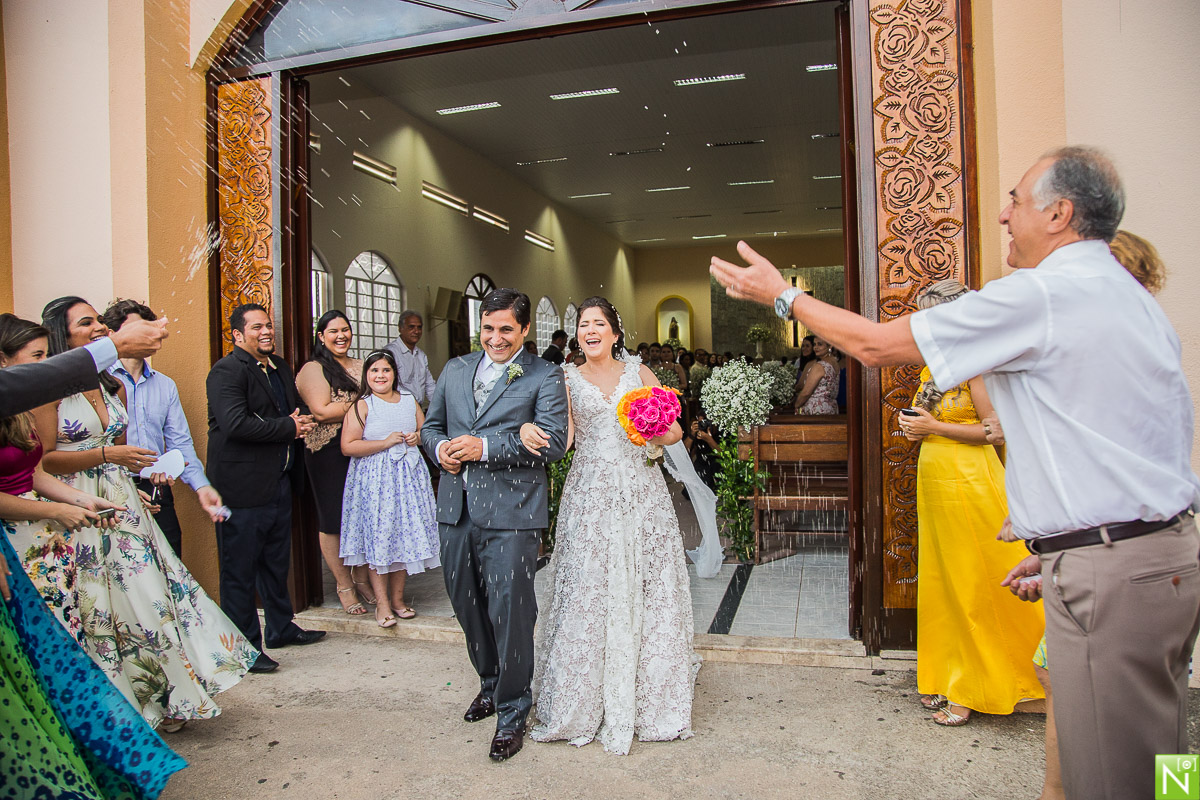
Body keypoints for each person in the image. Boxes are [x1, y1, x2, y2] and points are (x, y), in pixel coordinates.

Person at [711, 146, 1200, 800]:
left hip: (1114, 567)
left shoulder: (1048, 293)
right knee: (1164, 748)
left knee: (1110, 776)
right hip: (1150, 555)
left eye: (1017, 201)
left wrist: (784, 297)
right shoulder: (1127, 298)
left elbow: (876, 346)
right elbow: (1124, 439)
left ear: (1060, 213)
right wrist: (1063, 542)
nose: (1002, 215)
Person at [34, 296, 258, 732]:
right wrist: (109, 453)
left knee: (153, 598)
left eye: (100, 320)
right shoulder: (50, 389)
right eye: (87, 323)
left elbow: (175, 443)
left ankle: (166, 695)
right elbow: (42, 462)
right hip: (75, 504)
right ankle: (113, 710)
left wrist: (200, 487)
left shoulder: (106, 384)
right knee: (98, 606)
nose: (99, 327)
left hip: (125, 502)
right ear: (65, 335)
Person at [528, 296, 697, 756]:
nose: (590, 330)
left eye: (599, 323)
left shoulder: (638, 373)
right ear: (577, 334)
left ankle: (650, 700)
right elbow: (563, 443)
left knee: (648, 584)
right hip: (591, 493)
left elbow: (675, 430)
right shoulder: (564, 378)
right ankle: (582, 703)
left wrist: (651, 431)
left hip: (642, 492)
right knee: (590, 587)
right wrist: (531, 433)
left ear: (615, 333)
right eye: (584, 325)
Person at [420, 288, 569, 762]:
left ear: (525, 330)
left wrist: (484, 448)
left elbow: (554, 443)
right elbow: (432, 427)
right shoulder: (456, 369)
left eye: (506, 329)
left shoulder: (545, 374)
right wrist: (439, 449)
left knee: (511, 612)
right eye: (489, 328)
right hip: (456, 506)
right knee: (467, 604)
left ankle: (513, 709)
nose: (496, 338)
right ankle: (489, 682)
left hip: (512, 513)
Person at [898, 280, 1045, 727]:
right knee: (945, 581)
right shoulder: (934, 366)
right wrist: (917, 428)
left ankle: (978, 687)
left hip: (970, 481)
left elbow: (996, 431)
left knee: (975, 582)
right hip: (937, 479)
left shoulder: (976, 366)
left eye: (930, 315)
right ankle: (947, 674)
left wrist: (935, 430)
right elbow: (929, 418)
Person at [206, 303, 325, 674]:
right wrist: (289, 428)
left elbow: (287, 413)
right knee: (238, 570)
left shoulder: (280, 368)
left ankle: (280, 628)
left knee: (276, 563)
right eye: (257, 327)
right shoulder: (225, 371)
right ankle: (243, 649)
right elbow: (236, 424)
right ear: (238, 335)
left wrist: (298, 421)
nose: (266, 331)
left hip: (278, 481)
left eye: (268, 325)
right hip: (240, 487)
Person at [102, 299, 225, 558]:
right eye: (136, 329)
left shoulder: (165, 385)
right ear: (112, 335)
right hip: (113, 491)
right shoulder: (98, 382)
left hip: (158, 490)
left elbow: (180, 444)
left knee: (170, 565)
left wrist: (201, 486)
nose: (146, 335)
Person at [339, 350, 440, 627]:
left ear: (394, 374)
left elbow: (426, 433)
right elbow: (348, 446)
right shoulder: (363, 405)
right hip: (376, 481)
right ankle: (381, 603)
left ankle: (398, 600)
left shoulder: (409, 400)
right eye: (374, 371)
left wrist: (415, 437)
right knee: (380, 538)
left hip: (407, 479)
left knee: (403, 538)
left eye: (385, 370)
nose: (380, 376)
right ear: (367, 376)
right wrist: (384, 442)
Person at [295, 310, 365, 615]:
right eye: (333, 331)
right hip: (328, 452)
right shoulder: (314, 369)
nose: (341, 336)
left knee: (363, 516)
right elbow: (322, 411)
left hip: (364, 448)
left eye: (345, 330)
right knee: (333, 519)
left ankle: (362, 579)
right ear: (321, 336)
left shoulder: (361, 365)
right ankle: (344, 585)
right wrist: (366, 402)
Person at [0, 315, 168, 419]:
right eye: (86, 322)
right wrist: (116, 346)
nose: (100, 327)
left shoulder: (113, 386)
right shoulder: (39, 400)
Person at [384, 310, 437, 406]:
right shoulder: (391, 352)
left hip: (418, 410)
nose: (416, 331)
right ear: (400, 328)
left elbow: (430, 386)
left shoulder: (421, 355)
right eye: (411, 327)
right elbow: (389, 386)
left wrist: (440, 408)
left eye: (419, 327)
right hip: (398, 409)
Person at [792, 337, 838, 415]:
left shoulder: (819, 366)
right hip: (829, 409)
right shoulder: (835, 363)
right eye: (814, 344)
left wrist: (796, 405)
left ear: (830, 346)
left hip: (815, 411)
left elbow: (806, 393)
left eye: (820, 344)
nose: (816, 347)